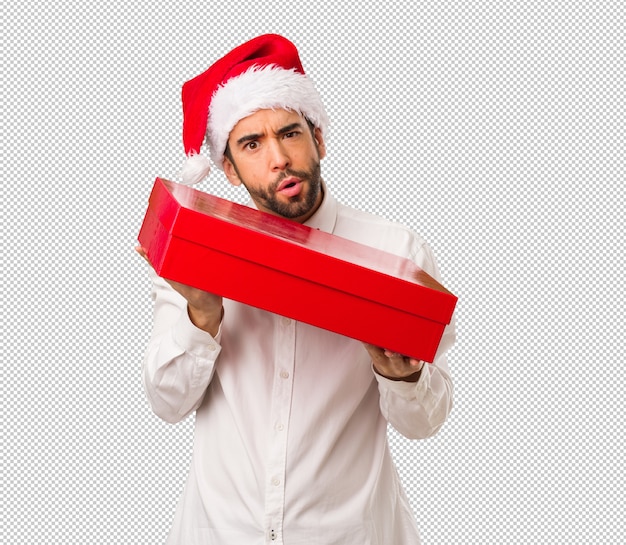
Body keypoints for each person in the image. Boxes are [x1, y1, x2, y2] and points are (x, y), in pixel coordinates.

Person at [137, 34, 455, 545]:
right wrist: (201, 314)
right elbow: (167, 403)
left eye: (290, 133)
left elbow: (425, 422)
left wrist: (403, 375)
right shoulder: (195, 253)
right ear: (231, 172)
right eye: (251, 144)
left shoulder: (396, 252)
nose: (279, 157)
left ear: (319, 140)